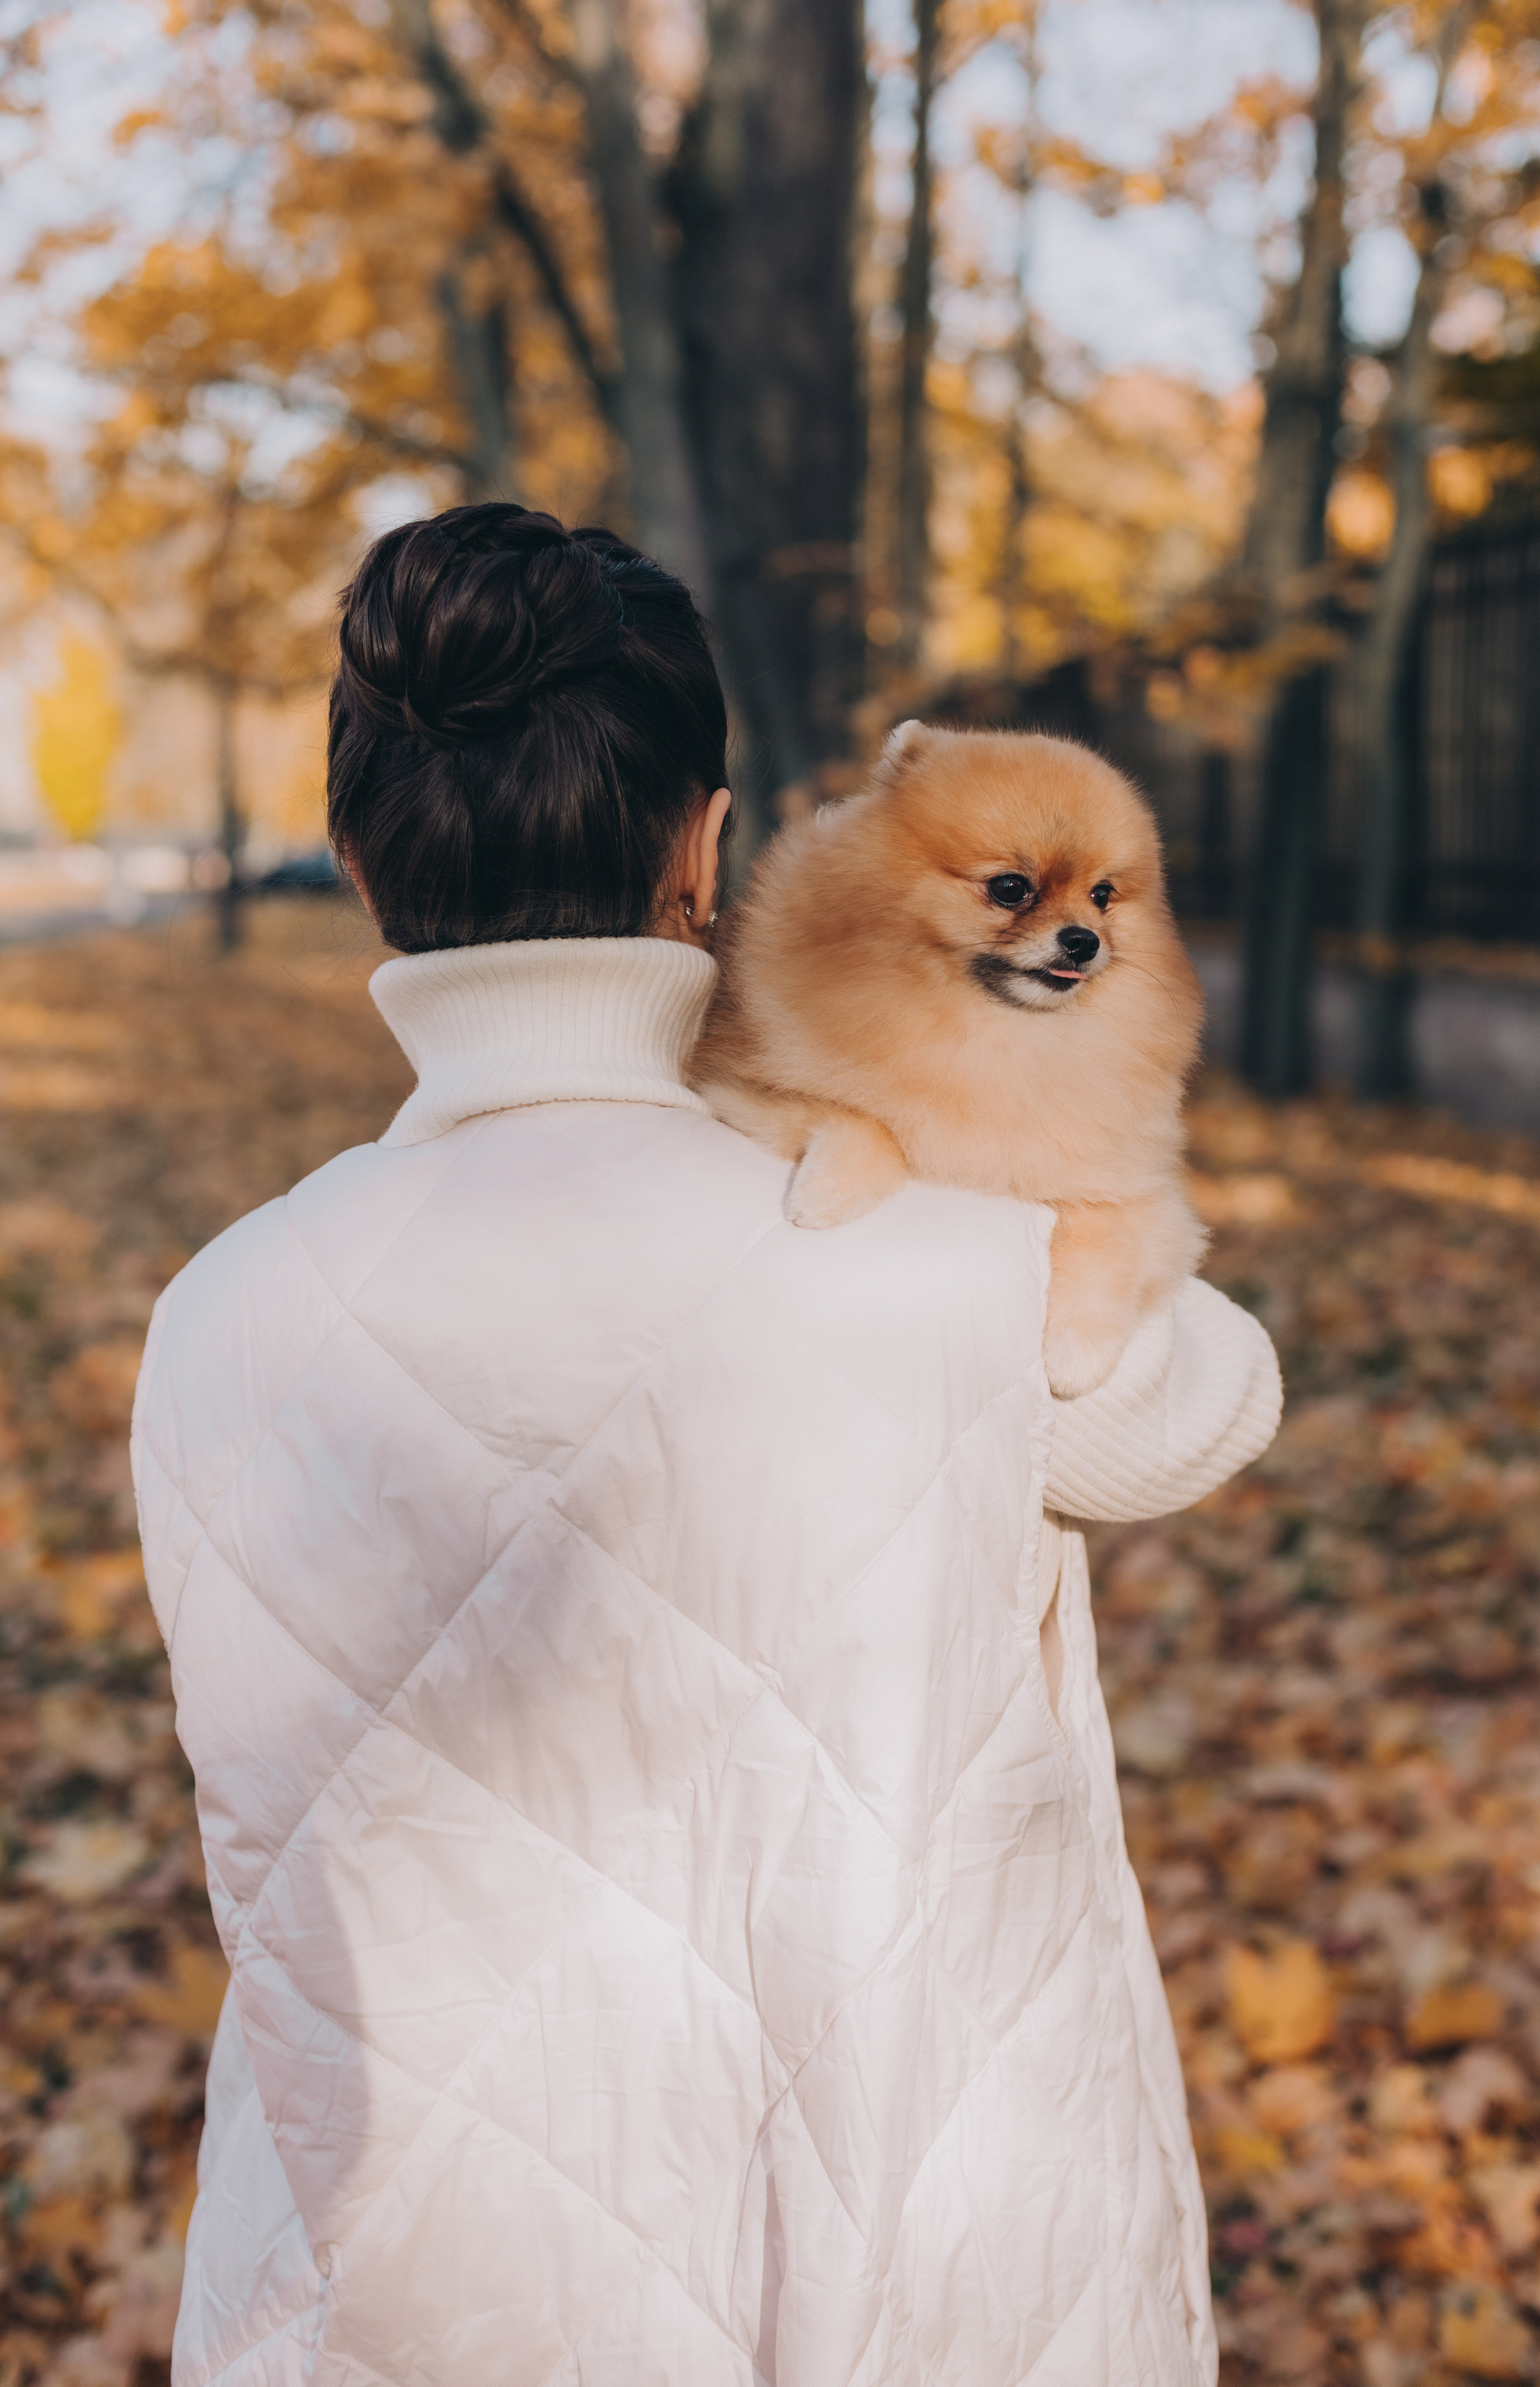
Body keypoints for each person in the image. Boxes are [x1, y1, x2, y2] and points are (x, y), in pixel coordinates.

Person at [132, 503, 1280, 2387]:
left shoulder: (217, 1316)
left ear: (357, 866)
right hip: (906, 2288)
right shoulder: (945, 1271)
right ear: (706, 845)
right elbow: (1210, 1397)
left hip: (399, 2300)